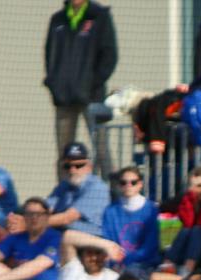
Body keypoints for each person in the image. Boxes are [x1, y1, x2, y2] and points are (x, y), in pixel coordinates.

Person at [43, 0, 117, 175]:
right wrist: (55, 84)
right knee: (64, 151)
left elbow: (109, 55)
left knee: (101, 148)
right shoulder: (58, 19)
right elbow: (49, 54)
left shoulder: (100, 16)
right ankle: (64, 193)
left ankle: (109, 191)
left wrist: (92, 84)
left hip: (92, 96)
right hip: (63, 98)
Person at [100, 167, 162, 275]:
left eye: (133, 182)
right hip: (116, 263)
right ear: (119, 185)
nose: (128, 186)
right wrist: (116, 260)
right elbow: (108, 240)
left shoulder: (151, 209)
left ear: (140, 184)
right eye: (123, 182)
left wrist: (126, 261)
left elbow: (150, 245)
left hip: (144, 264)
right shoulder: (110, 211)